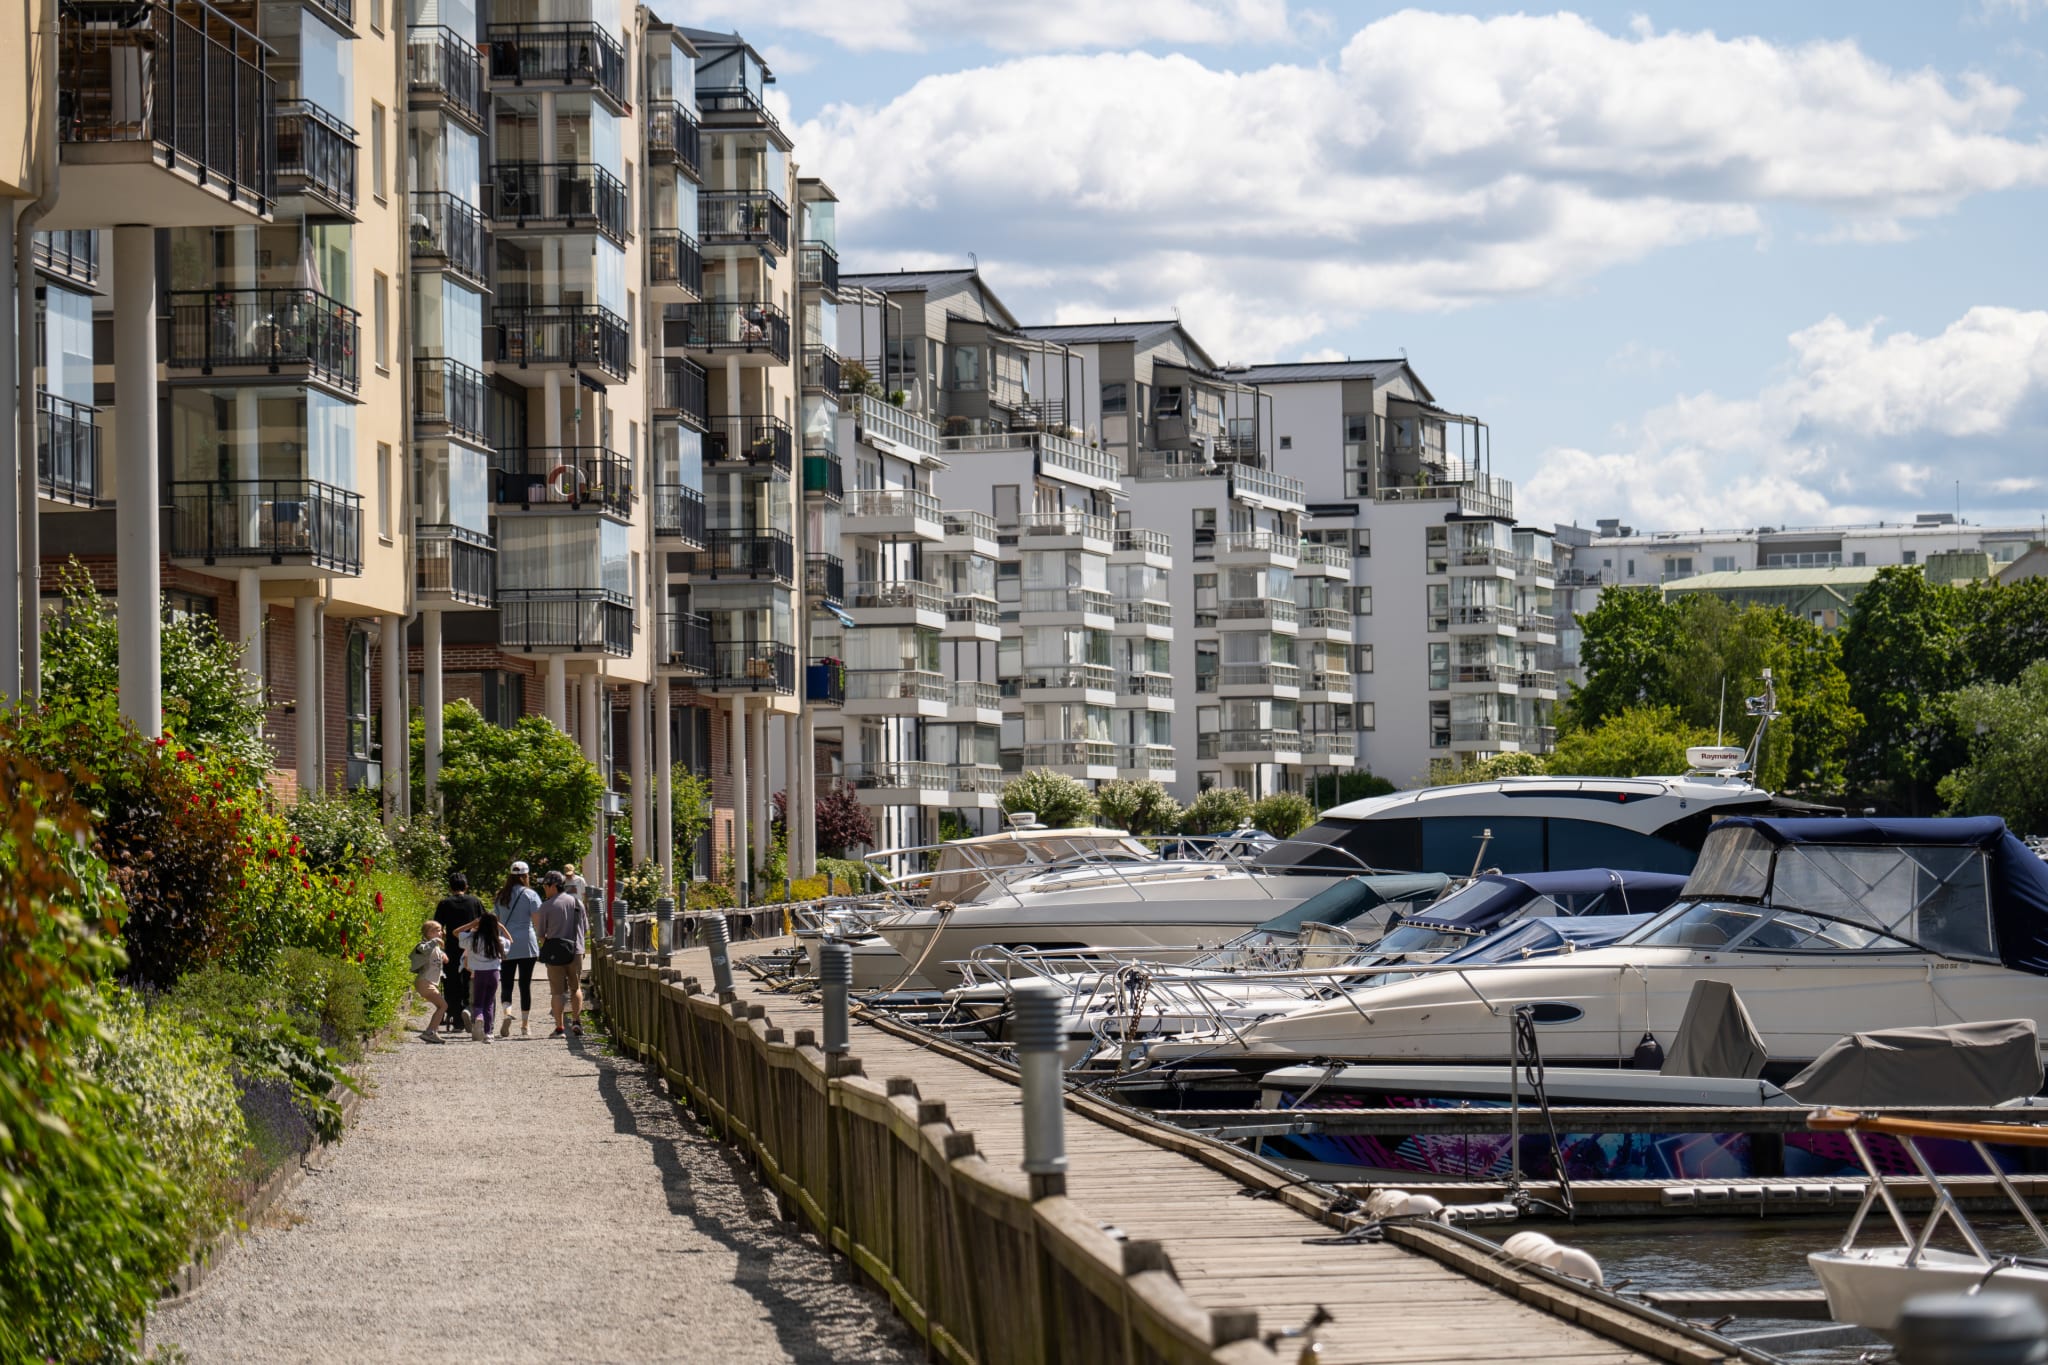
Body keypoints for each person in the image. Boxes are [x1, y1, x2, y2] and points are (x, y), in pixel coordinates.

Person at [534, 870, 587, 1038]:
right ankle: (577, 1022)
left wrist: (550, 946)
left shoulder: (546, 906)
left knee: (557, 992)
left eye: (545, 885)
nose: (544, 888)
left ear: (553, 886)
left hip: (555, 953)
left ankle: (559, 1028)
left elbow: (541, 934)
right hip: (576, 951)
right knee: (575, 987)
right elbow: (585, 928)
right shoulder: (577, 903)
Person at [493, 860, 543, 1038]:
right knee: (524, 984)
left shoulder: (501, 896)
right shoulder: (531, 895)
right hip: (527, 943)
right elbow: (537, 922)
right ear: (526, 875)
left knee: (506, 982)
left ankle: (507, 1013)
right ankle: (525, 1025)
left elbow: (497, 922)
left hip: (506, 943)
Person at [436, 873, 484, 1034]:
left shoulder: (445, 903)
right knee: (470, 981)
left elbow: (438, 927)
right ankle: (470, 1011)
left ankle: (457, 1019)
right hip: (472, 948)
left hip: (452, 948)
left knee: (452, 983)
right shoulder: (475, 902)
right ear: (466, 886)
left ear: (450, 887)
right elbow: (483, 921)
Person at [456, 910, 513, 1042]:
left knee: (478, 1002)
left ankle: (478, 1018)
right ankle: (488, 1033)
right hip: (494, 973)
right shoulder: (498, 940)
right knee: (489, 1002)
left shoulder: (473, 939)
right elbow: (511, 941)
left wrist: (472, 924)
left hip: (478, 973)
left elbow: (456, 933)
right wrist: (501, 926)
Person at [408, 920, 448, 1044]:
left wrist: (443, 956)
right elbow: (423, 949)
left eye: (441, 930)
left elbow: (435, 956)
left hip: (429, 982)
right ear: (429, 933)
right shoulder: (423, 945)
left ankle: (432, 1031)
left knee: (441, 1006)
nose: (441, 933)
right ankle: (430, 1032)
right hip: (424, 981)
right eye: (438, 930)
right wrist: (435, 941)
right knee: (443, 1006)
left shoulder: (435, 947)